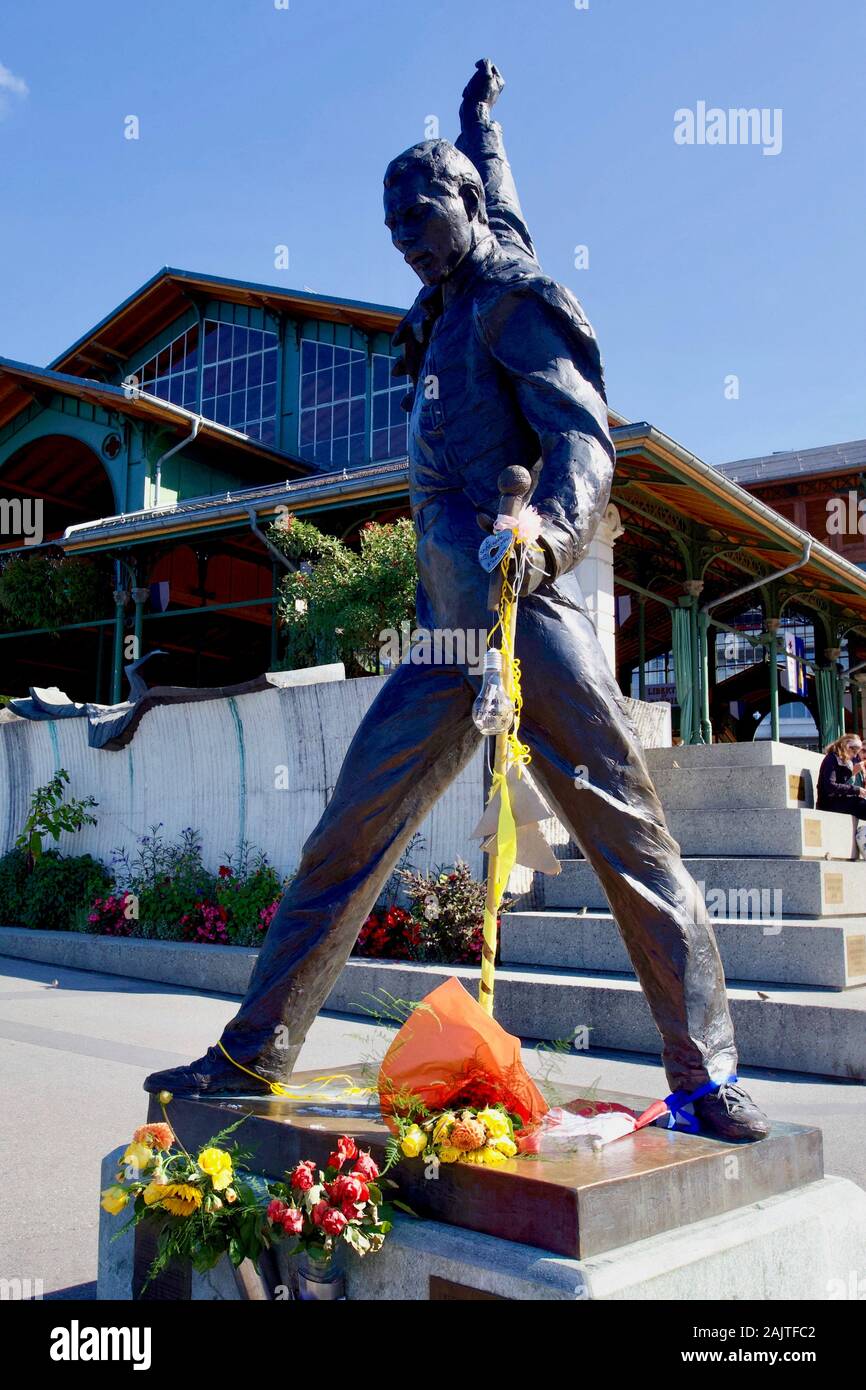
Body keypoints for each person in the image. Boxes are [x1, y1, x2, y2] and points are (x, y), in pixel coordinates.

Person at [145, 61, 770, 1142]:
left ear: (462, 211)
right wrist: (481, 123)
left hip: (525, 616)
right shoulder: (441, 305)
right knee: (346, 836)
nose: (400, 234)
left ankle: (705, 1074)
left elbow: (580, 439)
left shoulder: (511, 302)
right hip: (440, 634)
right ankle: (252, 1053)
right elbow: (499, 190)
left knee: (630, 841)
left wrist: (546, 530)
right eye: (388, 222)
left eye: (417, 213)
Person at [816, 733, 866, 858]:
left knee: (861, 802)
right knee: (860, 804)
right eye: (854, 752)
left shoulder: (842, 759)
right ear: (847, 747)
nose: (855, 756)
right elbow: (830, 786)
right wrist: (855, 790)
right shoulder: (831, 759)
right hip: (829, 803)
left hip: (838, 800)